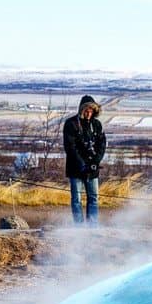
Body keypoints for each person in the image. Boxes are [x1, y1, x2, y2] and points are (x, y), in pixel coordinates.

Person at [63, 95, 106, 225]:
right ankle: (79, 227)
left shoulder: (97, 125)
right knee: (76, 199)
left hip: (92, 168)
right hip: (75, 168)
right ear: (81, 110)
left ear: (95, 111)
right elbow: (70, 147)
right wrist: (82, 164)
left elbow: (102, 145)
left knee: (93, 198)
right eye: (86, 110)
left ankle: (92, 226)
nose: (88, 113)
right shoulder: (71, 124)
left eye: (91, 110)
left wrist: (95, 162)